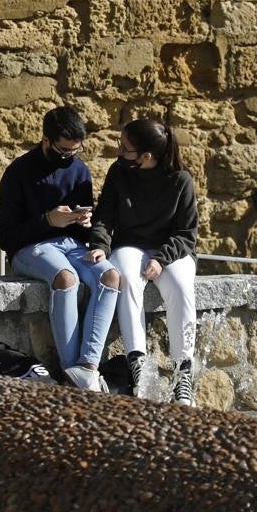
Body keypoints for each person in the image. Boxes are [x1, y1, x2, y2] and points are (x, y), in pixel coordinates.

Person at [0, 106, 120, 392]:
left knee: (110, 277)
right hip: (31, 248)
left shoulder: (80, 171)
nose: (68, 157)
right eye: (63, 151)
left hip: (71, 245)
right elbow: (7, 237)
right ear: (46, 141)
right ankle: (71, 372)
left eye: (74, 151)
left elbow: (83, 232)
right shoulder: (18, 172)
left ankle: (86, 368)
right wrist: (48, 220)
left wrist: (84, 222)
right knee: (66, 279)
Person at [95, 117, 198, 406]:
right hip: (130, 245)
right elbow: (105, 214)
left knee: (180, 286)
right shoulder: (119, 172)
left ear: (146, 156)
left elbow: (187, 234)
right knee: (126, 276)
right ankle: (137, 362)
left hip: (172, 250)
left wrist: (161, 259)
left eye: (125, 148)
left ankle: (183, 373)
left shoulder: (181, 180)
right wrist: (100, 246)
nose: (119, 152)